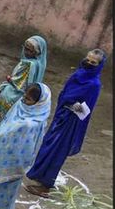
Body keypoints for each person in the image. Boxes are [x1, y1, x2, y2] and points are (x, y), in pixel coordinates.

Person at [24, 49, 107, 198]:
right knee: (48, 145)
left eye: (93, 62)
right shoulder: (79, 74)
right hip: (61, 115)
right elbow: (65, 93)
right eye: (87, 59)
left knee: (57, 152)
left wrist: (70, 104)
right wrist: (65, 103)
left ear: (99, 65)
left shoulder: (94, 84)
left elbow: (85, 110)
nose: (88, 63)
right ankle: (39, 174)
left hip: (71, 123)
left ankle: (45, 185)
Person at [0, 35, 47, 141]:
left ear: (36, 52)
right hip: (19, 98)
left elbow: (20, 83)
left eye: (29, 50)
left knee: (1, 122)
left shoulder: (29, 64)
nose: (26, 52)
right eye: (25, 48)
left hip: (12, 97)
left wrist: (10, 80)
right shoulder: (39, 64)